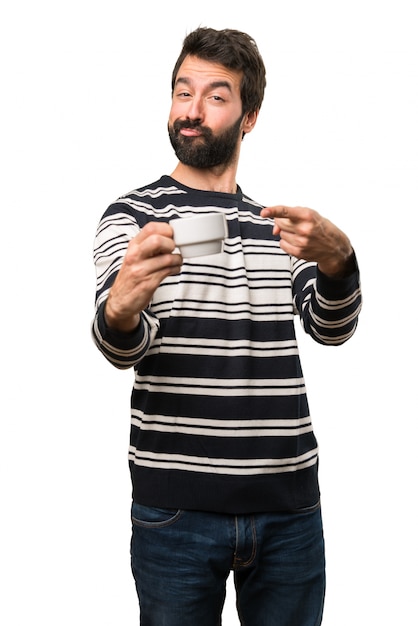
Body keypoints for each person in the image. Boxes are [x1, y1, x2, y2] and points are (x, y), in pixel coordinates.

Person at [92, 27, 362, 626]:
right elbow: (121, 342)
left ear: (249, 118)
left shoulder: (277, 227)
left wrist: (340, 262)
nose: (191, 110)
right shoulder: (134, 216)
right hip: (175, 514)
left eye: (216, 96)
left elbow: (330, 327)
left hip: (289, 513)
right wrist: (122, 304)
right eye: (182, 92)